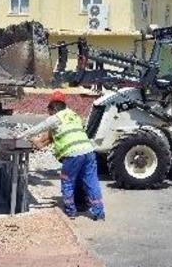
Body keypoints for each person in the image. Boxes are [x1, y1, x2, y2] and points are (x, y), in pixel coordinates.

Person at [15, 91, 105, 220]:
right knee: (91, 182)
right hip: (89, 152)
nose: (49, 113)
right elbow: (48, 139)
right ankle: (99, 212)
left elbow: (39, 128)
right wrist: (38, 142)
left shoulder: (56, 118)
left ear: (53, 107)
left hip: (73, 155)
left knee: (67, 180)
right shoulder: (74, 116)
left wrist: (18, 137)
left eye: (49, 110)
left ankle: (70, 211)